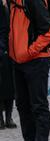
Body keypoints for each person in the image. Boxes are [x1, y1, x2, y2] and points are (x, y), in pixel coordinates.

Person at [9, 0, 50, 141]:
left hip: (36, 60)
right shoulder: (13, 3)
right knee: (22, 104)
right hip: (19, 61)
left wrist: (29, 52)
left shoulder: (33, 1)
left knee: (38, 104)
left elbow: (49, 33)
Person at [0, 0, 16, 130]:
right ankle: (0, 119)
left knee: (9, 85)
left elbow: (7, 29)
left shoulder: (8, 6)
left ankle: (9, 117)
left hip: (7, 51)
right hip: (3, 49)